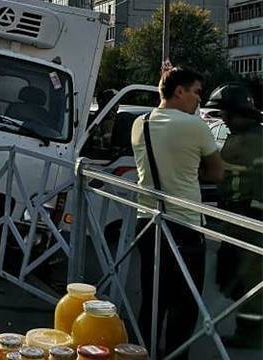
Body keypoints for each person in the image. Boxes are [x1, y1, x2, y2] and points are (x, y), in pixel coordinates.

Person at [130, 67, 224, 358]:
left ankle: (141, 352)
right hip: (183, 224)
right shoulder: (194, 126)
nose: (199, 100)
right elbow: (217, 172)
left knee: (153, 299)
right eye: (196, 92)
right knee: (184, 304)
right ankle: (174, 355)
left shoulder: (139, 123)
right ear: (179, 91)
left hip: (147, 223)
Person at [206, 84, 263, 348]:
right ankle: (247, 328)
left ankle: (250, 333)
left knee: (251, 278)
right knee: (236, 278)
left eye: (226, 114)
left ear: (240, 113)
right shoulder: (238, 135)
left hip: (249, 220)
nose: (224, 121)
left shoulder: (256, 138)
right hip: (234, 216)